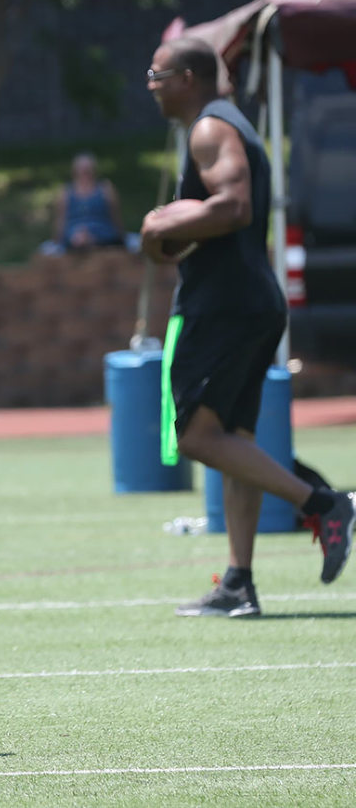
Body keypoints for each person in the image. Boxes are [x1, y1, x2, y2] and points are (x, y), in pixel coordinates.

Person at [142, 36, 354, 618]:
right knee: (236, 443)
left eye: (156, 75)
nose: (151, 86)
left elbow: (232, 204)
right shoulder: (223, 123)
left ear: (186, 77)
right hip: (252, 299)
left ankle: (323, 503)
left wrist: (162, 219)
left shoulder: (211, 129)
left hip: (225, 305)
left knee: (196, 437)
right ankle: (239, 582)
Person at [41, 153, 124, 255]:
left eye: (88, 169)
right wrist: (56, 242)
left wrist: (122, 238)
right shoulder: (65, 192)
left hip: (101, 230)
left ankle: (91, 245)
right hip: (74, 232)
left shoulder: (106, 189)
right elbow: (60, 220)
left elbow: (115, 217)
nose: (85, 172)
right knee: (77, 238)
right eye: (82, 169)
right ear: (75, 171)